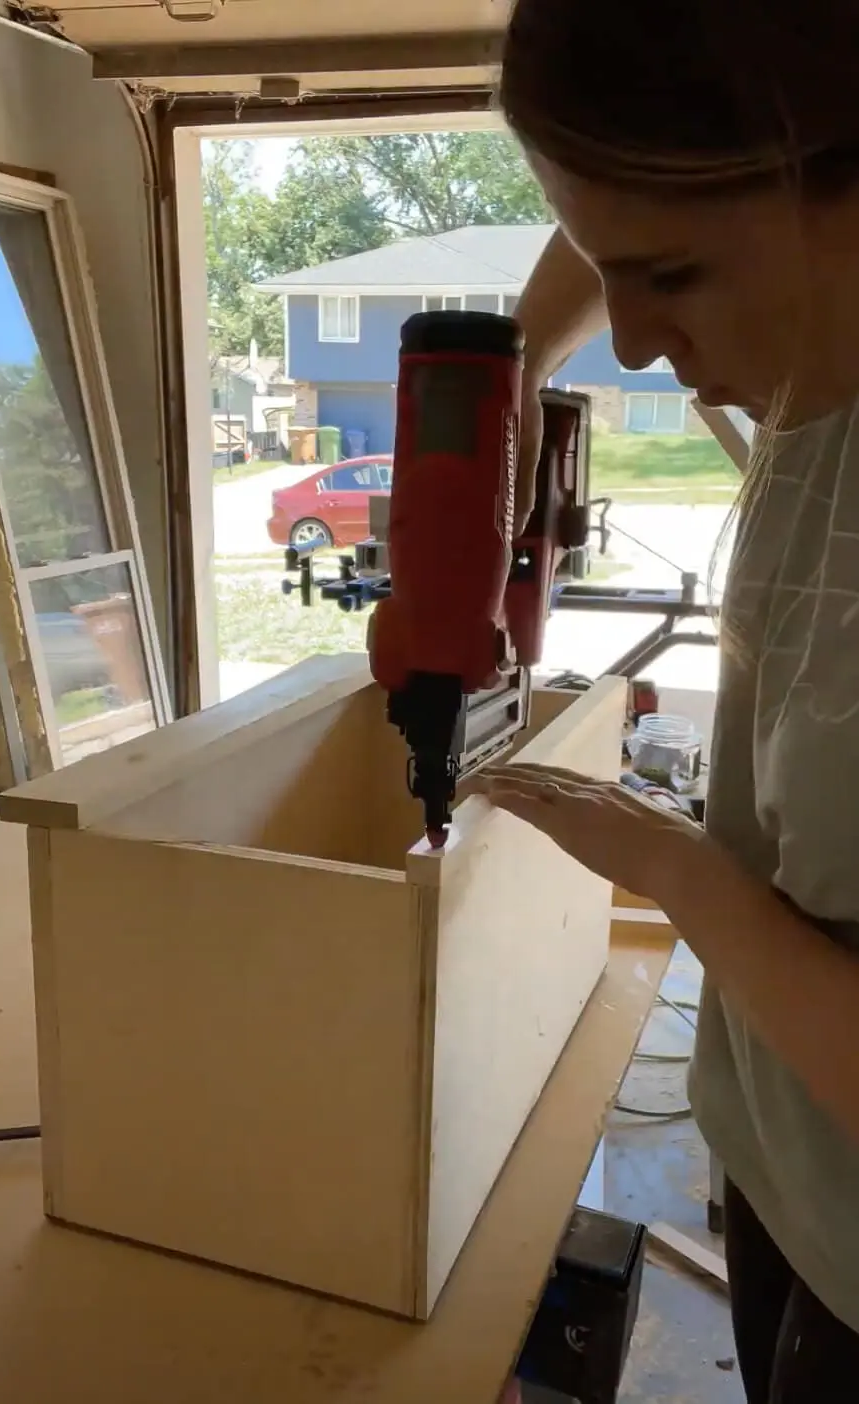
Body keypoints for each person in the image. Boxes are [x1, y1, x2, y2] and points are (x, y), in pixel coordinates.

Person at [486, 3, 859, 1401]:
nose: (632, 343)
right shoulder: (816, 359)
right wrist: (520, 357)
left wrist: (659, 861)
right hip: (781, 1165)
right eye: (602, 268)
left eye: (673, 276)